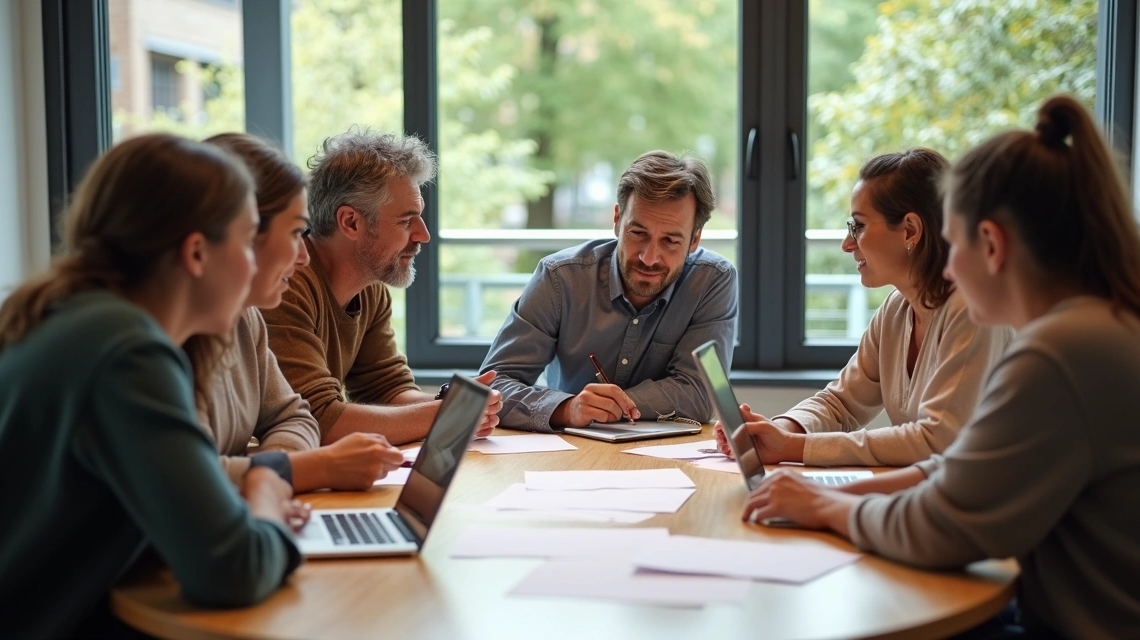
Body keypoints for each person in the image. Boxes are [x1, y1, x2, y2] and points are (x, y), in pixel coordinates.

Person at [742, 96, 1140, 638]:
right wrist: (827, 490)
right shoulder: (1100, 327)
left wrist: (827, 508)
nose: (947, 266)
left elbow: (941, 526)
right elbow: (962, 472)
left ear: (991, 245)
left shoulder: (1061, 351)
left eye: (954, 243)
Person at [0, 134, 305, 638]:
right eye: (247, 239)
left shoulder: (75, 319)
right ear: (196, 253)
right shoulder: (125, 351)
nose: (254, 264)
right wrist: (265, 493)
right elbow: (232, 570)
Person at [714, 148, 1011, 466]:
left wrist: (793, 447)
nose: (847, 243)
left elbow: (936, 440)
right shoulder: (898, 307)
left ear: (911, 229)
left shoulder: (972, 311)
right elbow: (841, 403)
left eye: (859, 226)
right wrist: (777, 430)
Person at [260, 128, 502, 446]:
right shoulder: (283, 287)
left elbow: (387, 390)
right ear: (350, 222)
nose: (423, 235)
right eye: (406, 221)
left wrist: (460, 407)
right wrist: (450, 414)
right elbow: (320, 419)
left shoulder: (369, 287)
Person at [197, 133, 404, 492]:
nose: (303, 255)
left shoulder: (245, 320)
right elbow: (185, 480)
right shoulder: (139, 344)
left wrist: (276, 480)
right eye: (295, 233)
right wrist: (307, 471)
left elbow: (294, 417)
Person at [480, 150, 738, 432]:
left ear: (694, 239)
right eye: (638, 233)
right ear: (617, 220)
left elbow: (703, 394)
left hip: (672, 454)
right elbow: (493, 386)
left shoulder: (713, 281)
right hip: (572, 453)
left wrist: (615, 405)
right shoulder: (559, 278)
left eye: (671, 241)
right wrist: (570, 408)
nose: (649, 258)